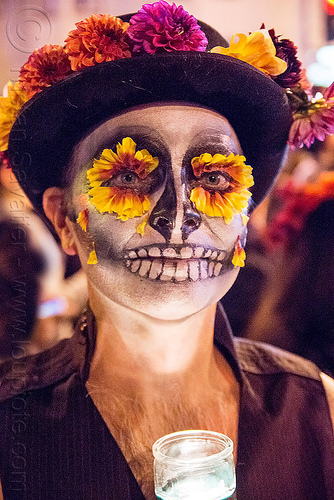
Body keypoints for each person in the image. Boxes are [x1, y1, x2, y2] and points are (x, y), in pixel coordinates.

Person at [0, 2, 333, 499]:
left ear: (243, 222)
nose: (177, 216)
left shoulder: (319, 411)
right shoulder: (10, 428)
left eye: (214, 176)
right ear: (64, 219)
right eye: (131, 175)